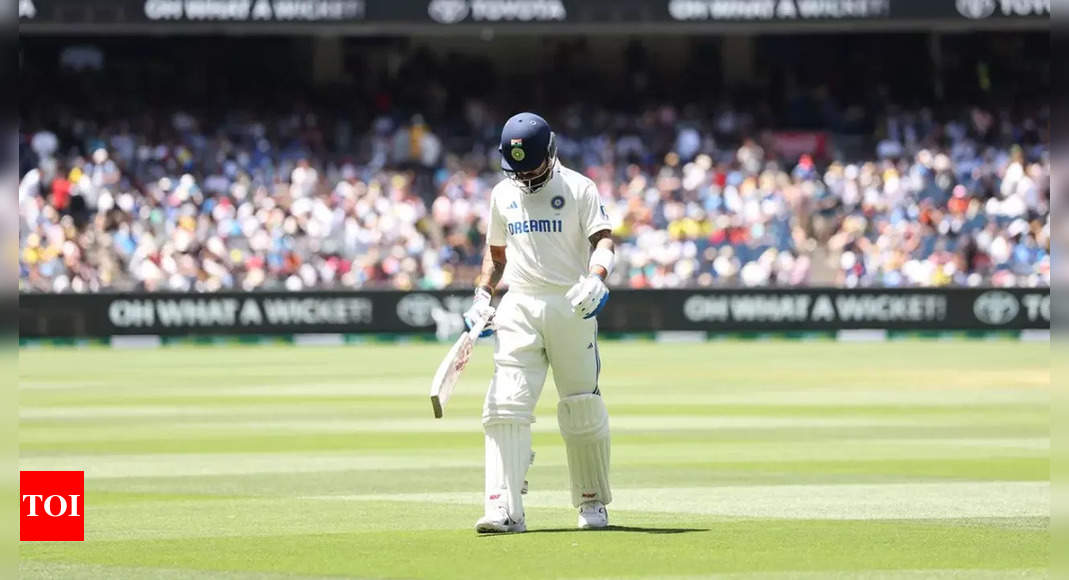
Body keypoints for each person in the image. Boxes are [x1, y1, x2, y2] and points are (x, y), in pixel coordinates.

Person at [462, 112, 615, 533]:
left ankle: (591, 502)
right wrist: (481, 295)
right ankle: (504, 508)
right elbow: (495, 257)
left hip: (571, 303)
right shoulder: (501, 194)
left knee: (581, 406)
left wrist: (596, 278)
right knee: (503, 406)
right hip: (520, 304)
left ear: (551, 152)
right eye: (518, 170)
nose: (526, 177)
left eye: (533, 167)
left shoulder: (579, 187)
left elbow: (603, 239)